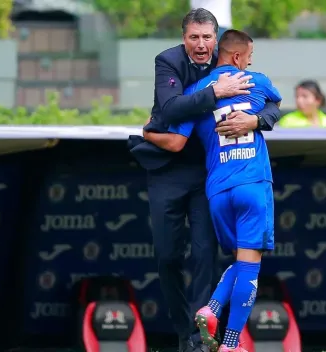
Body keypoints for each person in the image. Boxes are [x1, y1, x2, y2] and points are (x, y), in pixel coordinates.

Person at [128, 8, 281, 352]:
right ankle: (195, 332)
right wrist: (216, 93)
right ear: (184, 39)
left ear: (217, 40)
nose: (201, 44)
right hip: (173, 170)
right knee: (170, 258)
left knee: (206, 255)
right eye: (194, 38)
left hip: (209, 174)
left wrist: (253, 121)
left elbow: (272, 107)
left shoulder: (226, 67)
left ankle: (201, 340)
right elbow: (169, 111)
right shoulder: (169, 62)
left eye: (207, 38)